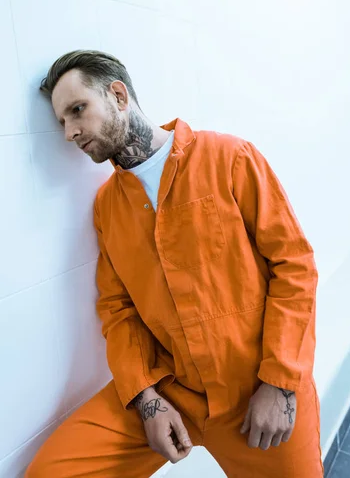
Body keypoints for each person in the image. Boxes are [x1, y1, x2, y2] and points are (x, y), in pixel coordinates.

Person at [26, 50, 324, 478]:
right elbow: (118, 309)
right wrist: (147, 400)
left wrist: (280, 383)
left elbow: (294, 266)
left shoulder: (229, 157)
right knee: (52, 472)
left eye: (77, 111)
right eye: (62, 123)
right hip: (170, 389)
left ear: (118, 95)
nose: (70, 132)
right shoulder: (107, 206)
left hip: (257, 391)